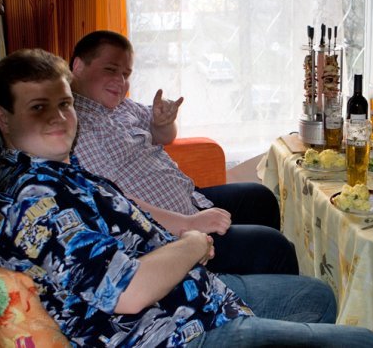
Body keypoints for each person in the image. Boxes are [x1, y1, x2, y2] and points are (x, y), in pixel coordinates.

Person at [0, 48, 373, 347]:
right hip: (169, 333)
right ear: (4, 118)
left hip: (191, 295)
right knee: (365, 342)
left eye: (64, 104)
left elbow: (129, 211)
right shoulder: (35, 202)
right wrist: (192, 243)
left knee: (316, 296)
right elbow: (127, 292)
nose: (57, 117)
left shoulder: (61, 171)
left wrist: (186, 233)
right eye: (38, 108)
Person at [69, 30, 298, 276]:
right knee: (275, 248)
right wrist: (188, 224)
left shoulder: (122, 107)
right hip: (168, 235)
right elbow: (114, 201)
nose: (121, 80)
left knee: (261, 199)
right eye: (111, 69)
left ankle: (252, 283)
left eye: (126, 74)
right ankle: (222, 284)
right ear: (79, 66)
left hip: (190, 200)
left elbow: (165, 136)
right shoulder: (77, 125)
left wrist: (162, 123)